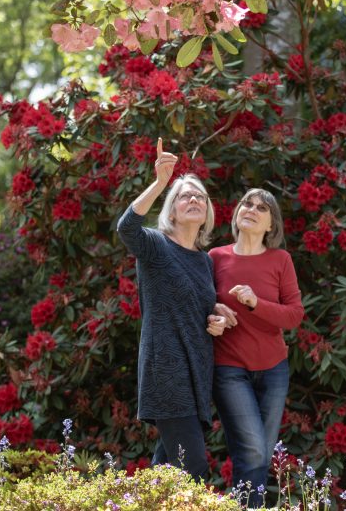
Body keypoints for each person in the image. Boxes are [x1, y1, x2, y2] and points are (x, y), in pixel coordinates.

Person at [116, 138, 229, 481]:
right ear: (172, 209)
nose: (193, 199)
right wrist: (160, 183)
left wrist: (218, 321)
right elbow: (126, 227)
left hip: (197, 377)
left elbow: (203, 311)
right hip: (166, 374)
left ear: (207, 211)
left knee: (165, 474)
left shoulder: (204, 262)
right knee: (193, 469)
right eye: (184, 196)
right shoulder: (155, 245)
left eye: (200, 196)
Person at [207, 188, 304, 508]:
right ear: (237, 214)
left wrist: (254, 303)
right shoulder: (215, 258)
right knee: (255, 450)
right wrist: (216, 313)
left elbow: (293, 316)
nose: (251, 209)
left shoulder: (280, 260)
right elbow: (201, 307)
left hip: (274, 369)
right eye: (247, 203)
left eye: (262, 208)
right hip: (229, 368)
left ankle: (246, 505)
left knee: (259, 451)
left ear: (271, 226)